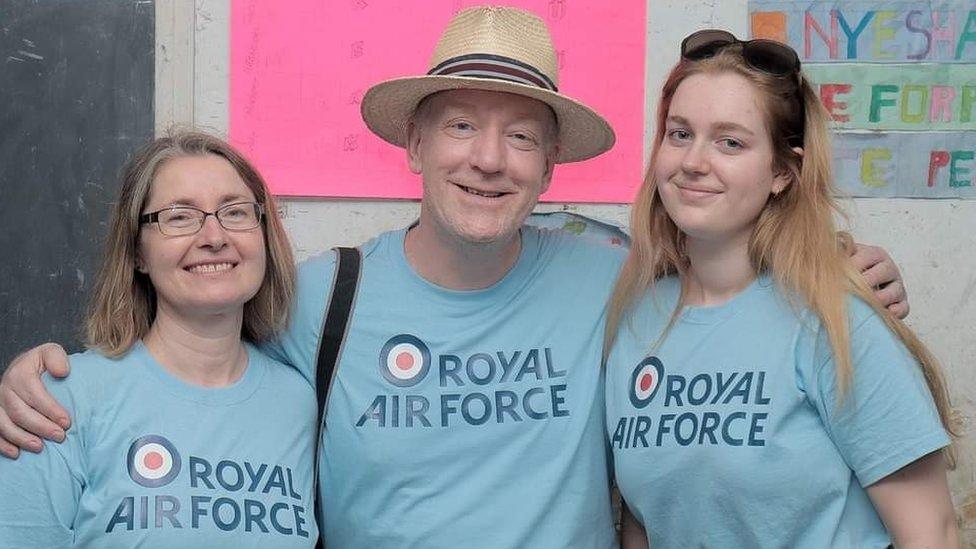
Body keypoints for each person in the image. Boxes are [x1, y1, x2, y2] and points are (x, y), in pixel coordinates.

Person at [0, 8, 911, 549]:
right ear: (414, 143)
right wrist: (38, 380)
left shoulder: (615, 285)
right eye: (461, 127)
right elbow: (182, 362)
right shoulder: (318, 299)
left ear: (552, 164)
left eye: (521, 135)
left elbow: (737, 278)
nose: (489, 159)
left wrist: (840, 273)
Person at [604, 30, 958, 548]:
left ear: (782, 173)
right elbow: (642, 520)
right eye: (679, 134)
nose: (694, 162)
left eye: (731, 142)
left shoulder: (834, 319)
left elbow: (933, 533)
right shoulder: (634, 319)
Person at [0, 131, 318, 547]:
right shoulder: (59, 400)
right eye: (179, 217)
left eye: (236, 212)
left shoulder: (300, 402)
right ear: (137, 253)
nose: (214, 237)